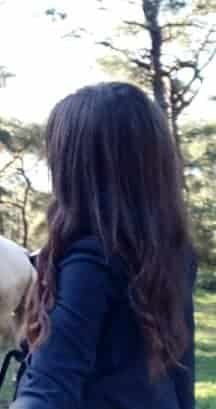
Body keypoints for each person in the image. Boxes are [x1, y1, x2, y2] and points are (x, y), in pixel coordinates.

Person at [11, 82, 196, 409]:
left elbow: (47, 392)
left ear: (75, 170)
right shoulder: (174, 253)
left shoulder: (90, 262)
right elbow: (181, 375)